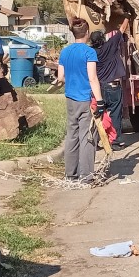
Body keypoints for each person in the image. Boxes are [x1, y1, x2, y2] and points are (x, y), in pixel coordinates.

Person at [56, 19, 104, 182]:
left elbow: (60, 77)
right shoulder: (89, 52)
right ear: (87, 33)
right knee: (88, 137)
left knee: (72, 135)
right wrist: (100, 100)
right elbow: (92, 78)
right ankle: (86, 175)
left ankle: (71, 174)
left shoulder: (65, 52)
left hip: (70, 98)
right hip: (85, 99)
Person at [91, 6, 129, 141]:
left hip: (99, 87)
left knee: (98, 114)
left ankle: (96, 140)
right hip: (113, 87)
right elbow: (122, 30)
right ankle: (115, 141)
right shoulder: (110, 45)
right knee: (115, 114)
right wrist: (127, 16)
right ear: (103, 39)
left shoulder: (91, 52)